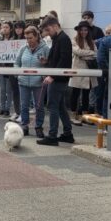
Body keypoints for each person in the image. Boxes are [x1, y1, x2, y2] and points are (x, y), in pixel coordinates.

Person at [37, 17, 74, 146]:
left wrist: (52, 76)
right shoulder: (59, 39)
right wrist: (47, 62)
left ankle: (52, 136)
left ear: (54, 26)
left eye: (48, 30)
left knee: (53, 106)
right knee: (60, 107)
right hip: (59, 78)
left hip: (58, 79)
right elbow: (59, 59)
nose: (47, 33)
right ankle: (68, 133)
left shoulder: (63, 39)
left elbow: (64, 60)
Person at [15, 26, 48, 137]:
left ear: (36, 36)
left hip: (38, 82)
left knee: (39, 106)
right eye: (27, 38)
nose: (28, 41)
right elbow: (16, 63)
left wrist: (45, 64)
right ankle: (24, 126)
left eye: (30, 38)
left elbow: (51, 64)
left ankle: (38, 127)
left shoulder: (45, 48)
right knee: (24, 105)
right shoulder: (23, 49)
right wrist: (18, 73)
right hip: (23, 81)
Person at [68, 20, 98, 124]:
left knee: (86, 94)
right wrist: (89, 53)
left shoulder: (91, 41)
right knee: (75, 94)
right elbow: (77, 52)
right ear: (78, 31)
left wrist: (84, 54)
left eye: (86, 30)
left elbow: (96, 54)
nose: (84, 32)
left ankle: (85, 116)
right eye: (82, 30)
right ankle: (73, 115)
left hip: (89, 71)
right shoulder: (74, 40)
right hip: (77, 69)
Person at [0, 21, 18, 118]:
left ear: (11, 29)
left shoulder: (14, 41)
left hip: (10, 68)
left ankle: (7, 109)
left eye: (7, 27)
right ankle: (2, 108)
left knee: (9, 90)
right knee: (2, 89)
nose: (4, 29)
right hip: (1, 67)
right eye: (3, 27)